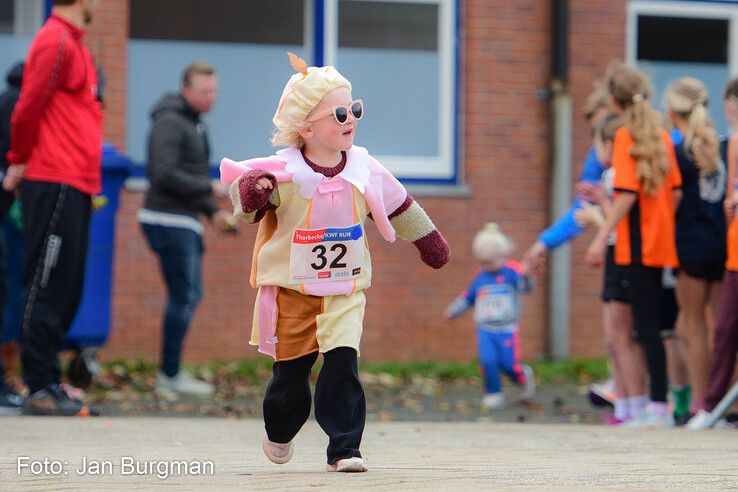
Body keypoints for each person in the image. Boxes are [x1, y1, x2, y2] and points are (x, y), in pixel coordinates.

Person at [219, 53, 450, 472]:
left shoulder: (363, 166)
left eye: (355, 109)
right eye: (340, 113)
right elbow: (246, 204)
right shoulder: (285, 172)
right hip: (293, 293)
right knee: (289, 382)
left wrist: (429, 240)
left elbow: (401, 204)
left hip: (345, 290)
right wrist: (254, 191)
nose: (351, 119)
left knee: (343, 364)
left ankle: (345, 448)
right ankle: (280, 428)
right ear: (305, 127)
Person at [3, 0, 102, 417]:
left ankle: (50, 378)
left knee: (67, 287)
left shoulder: (76, 45)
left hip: (78, 180)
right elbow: (28, 105)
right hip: (53, 176)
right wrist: (18, 158)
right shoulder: (54, 40)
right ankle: (38, 386)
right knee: (45, 283)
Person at [585, 63, 682, 428]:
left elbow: (626, 195)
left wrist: (599, 237)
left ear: (613, 99)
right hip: (657, 243)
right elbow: (675, 193)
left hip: (635, 243)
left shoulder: (626, 135)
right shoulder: (659, 133)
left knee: (644, 327)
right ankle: (655, 404)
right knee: (650, 326)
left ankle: (655, 407)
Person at [138, 61, 234, 397]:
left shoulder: (195, 124)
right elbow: (162, 174)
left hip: (184, 219)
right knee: (185, 295)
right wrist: (209, 189)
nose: (211, 97)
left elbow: (190, 180)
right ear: (185, 90)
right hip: (166, 220)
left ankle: (172, 372)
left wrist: (212, 213)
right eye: (204, 91)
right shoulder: (169, 121)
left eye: (214, 91)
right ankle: (168, 375)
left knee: (187, 295)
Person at [575, 113, 648, 425]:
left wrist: (596, 216)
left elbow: (620, 227)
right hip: (617, 258)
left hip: (622, 258)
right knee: (614, 338)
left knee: (621, 337)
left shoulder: (616, 174)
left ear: (607, 144)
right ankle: (625, 406)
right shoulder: (612, 176)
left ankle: (634, 405)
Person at [663, 77, 726, 418]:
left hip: (689, 247)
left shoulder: (677, 153)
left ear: (672, 110)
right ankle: (726, 400)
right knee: (723, 325)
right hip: (721, 244)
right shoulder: (722, 147)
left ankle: (704, 402)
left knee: (693, 325)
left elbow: (672, 200)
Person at [687, 78, 738, 428]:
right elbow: (729, 200)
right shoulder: (733, 142)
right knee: (725, 330)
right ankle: (714, 405)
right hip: (735, 254)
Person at [444, 223, 535, 410]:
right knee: (488, 361)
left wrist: (526, 276)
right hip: (485, 329)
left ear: (503, 255)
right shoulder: (481, 277)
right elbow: (468, 297)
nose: (487, 266)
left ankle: (523, 376)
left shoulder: (513, 272)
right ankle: (494, 393)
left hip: (507, 329)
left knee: (509, 364)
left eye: (491, 261)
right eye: (484, 262)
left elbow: (526, 288)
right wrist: (453, 310)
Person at [523, 85, 610, 266]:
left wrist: (602, 233)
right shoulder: (596, 160)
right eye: (596, 132)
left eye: (606, 128)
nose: (600, 139)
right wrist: (544, 243)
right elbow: (581, 208)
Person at [0, 61, 25, 415]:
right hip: (9, 211)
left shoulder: (8, 98)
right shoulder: (17, 103)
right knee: (10, 293)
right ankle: (6, 381)